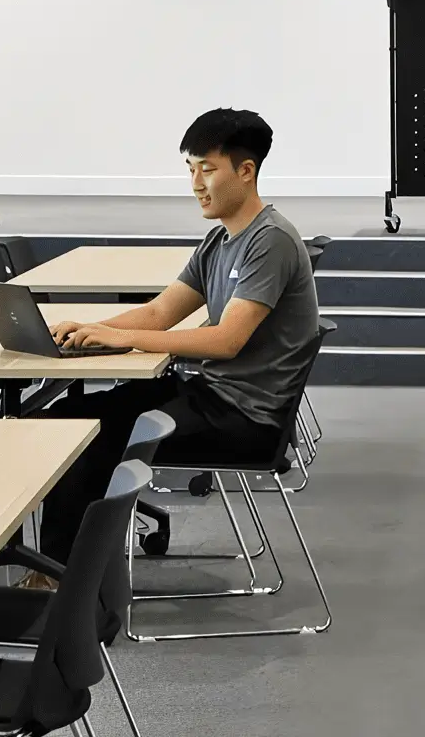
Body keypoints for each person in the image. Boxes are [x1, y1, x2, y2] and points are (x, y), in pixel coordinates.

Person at [49, 107, 321, 471]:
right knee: (66, 416)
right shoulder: (219, 240)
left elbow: (226, 341)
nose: (196, 183)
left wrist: (122, 336)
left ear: (245, 172)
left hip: (243, 418)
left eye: (207, 170)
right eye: (190, 169)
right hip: (210, 394)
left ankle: (90, 529)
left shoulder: (270, 241)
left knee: (88, 442)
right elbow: (159, 312)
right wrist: (92, 330)